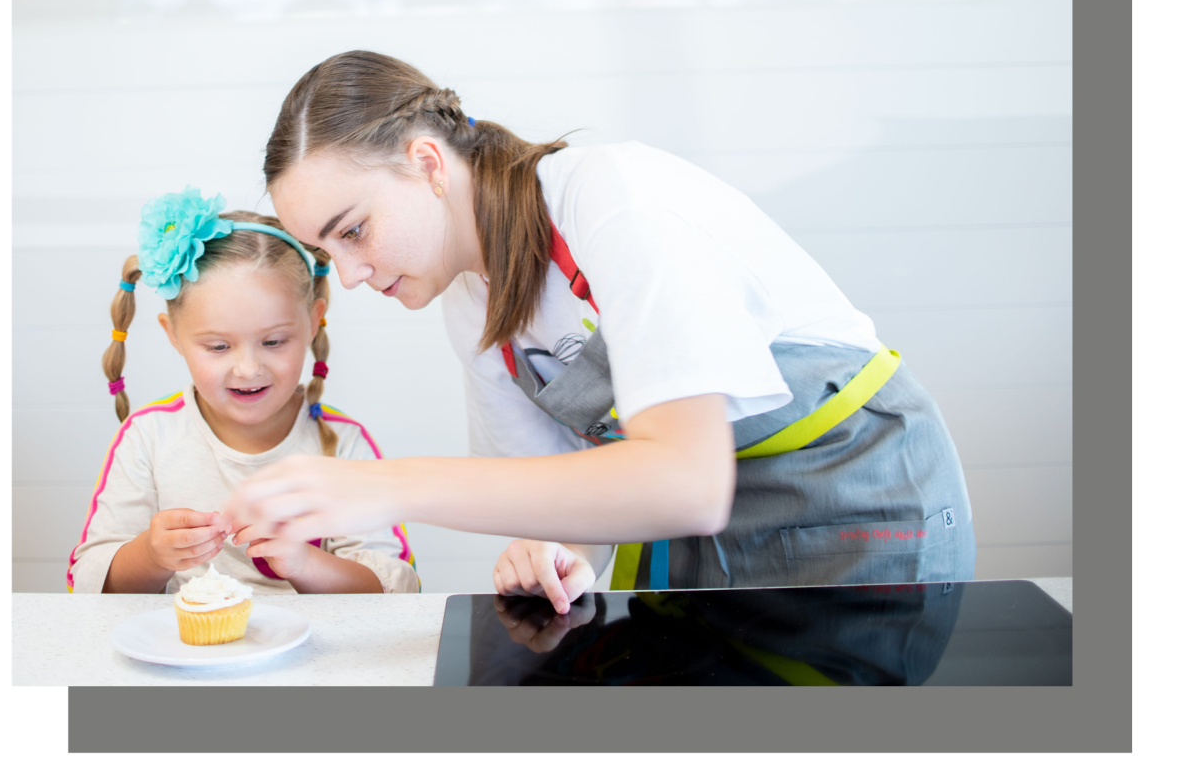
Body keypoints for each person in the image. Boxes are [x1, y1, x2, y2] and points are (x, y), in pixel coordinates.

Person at [222, 51, 976, 613]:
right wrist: (557, 554)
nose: (349, 276)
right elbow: (549, 499)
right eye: (328, 254)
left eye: (354, 231)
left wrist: (380, 487)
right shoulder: (470, 306)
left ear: (427, 164)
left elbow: (686, 482)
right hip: (708, 545)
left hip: (861, 511)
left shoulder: (615, 201)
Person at [68, 188, 418, 595]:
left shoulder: (344, 444)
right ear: (174, 336)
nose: (248, 368)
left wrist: (306, 563)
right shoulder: (147, 437)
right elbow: (90, 582)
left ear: (311, 323)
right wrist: (151, 555)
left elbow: (396, 591)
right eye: (218, 346)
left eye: (273, 342)